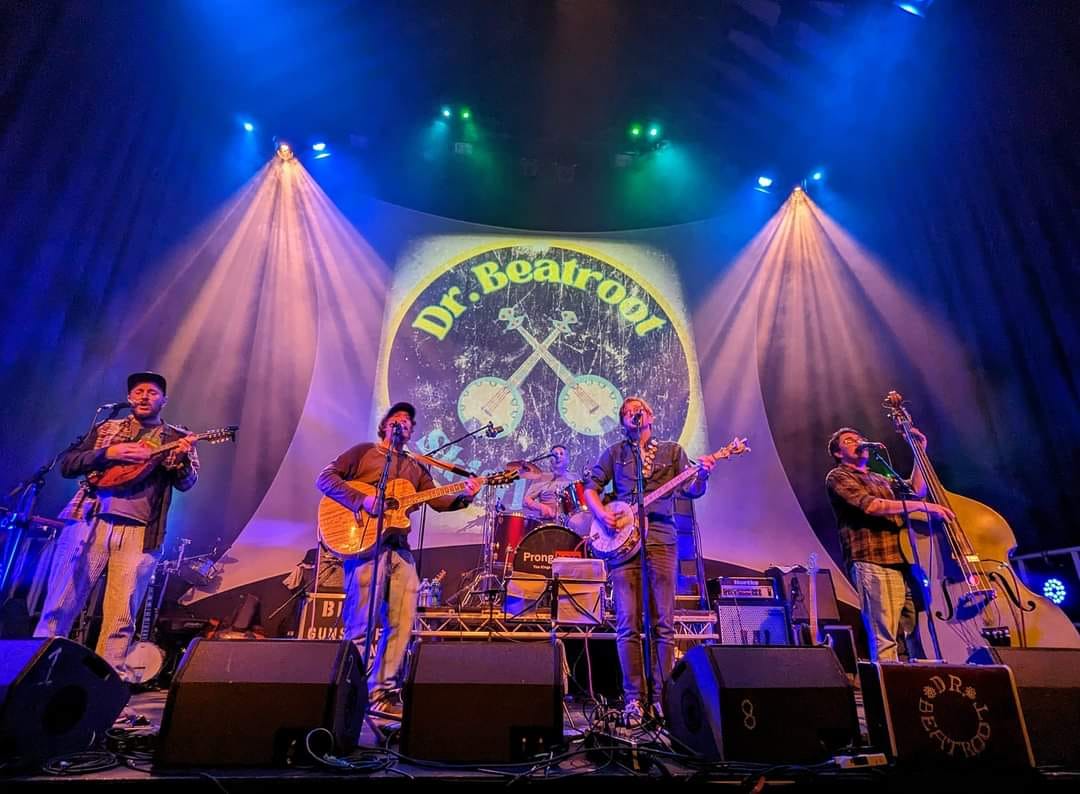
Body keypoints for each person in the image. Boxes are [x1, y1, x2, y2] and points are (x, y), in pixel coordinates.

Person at [316, 401, 482, 719]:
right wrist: (363, 499)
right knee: (360, 625)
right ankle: (348, 694)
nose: (404, 422)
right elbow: (325, 479)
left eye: (409, 421)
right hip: (364, 546)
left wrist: (467, 493)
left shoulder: (416, 467)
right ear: (386, 424)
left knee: (403, 622)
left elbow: (438, 501)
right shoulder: (364, 452)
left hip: (399, 549)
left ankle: (381, 693)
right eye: (398, 418)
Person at [34, 372, 198, 681]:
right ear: (129, 397)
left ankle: (99, 691)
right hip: (88, 522)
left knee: (120, 620)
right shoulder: (106, 427)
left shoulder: (175, 436)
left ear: (164, 400)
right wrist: (108, 453)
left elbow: (188, 484)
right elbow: (68, 464)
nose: (144, 396)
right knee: (59, 605)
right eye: (138, 391)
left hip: (140, 533)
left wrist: (180, 460)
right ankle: (38, 677)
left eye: (152, 391)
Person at [584, 396, 717, 726]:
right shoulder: (615, 452)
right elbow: (590, 488)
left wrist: (702, 475)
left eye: (637, 409)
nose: (633, 413)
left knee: (662, 623)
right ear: (623, 420)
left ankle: (662, 697)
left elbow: (692, 489)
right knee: (628, 622)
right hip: (622, 544)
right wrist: (602, 515)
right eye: (626, 411)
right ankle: (633, 700)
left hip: (660, 539)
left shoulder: (672, 452)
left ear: (649, 416)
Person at [825, 426, 954, 662]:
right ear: (838, 453)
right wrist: (924, 507)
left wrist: (920, 452)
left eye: (860, 437)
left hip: (903, 563)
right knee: (885, 637)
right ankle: (886, 693)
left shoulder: (879, 478)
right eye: (849, 440)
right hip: (873, 561)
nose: (858, 442)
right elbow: (871, 505)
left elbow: (916, 491)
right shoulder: (839, 476)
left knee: (916, 633)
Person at [521, 444, 577, 523]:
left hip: (571, 523)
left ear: (567, 459)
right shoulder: (542, 477)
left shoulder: (574, 478)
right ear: (550, 460)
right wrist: (542, 508)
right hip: (548, 523)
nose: (558, 456)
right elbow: (526, 500)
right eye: (555, 454)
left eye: (561, 453)